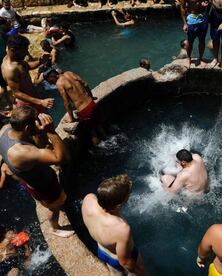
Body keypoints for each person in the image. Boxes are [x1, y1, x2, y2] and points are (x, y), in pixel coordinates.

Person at [0, 106, 74, 238]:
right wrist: (51, 131)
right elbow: (61, 158)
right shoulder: (23, 152)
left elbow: (33, 146)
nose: (39, 123)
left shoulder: (5, 130)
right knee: (54, 206)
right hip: (43, 187)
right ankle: (55, 228)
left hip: (29, 179)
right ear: (27, 128)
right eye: (36, 121)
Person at [82, 175, 146, 276]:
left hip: (102, 250)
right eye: (127, 196)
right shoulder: (122, 228)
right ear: (118, 205)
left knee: (115, 273)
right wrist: (138, 272)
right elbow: (124, 261)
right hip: (119, 258)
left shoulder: (88, 199)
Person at [43, 69, 102, 145]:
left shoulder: (59, 83)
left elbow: (67, 103)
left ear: (52, 77)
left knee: (93, 133)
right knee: (99, 126)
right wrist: (91, 97)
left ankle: (100, 149)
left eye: (50, 81)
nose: (51, 84)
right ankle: (105, 139)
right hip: (91, 103)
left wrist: (72, 118)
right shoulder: (69, 73)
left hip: (84, 110)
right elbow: (85, 84)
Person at [1, 35, 54, 113]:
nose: (26, 53)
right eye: (23, 51)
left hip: (34, 99)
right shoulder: (10, 70)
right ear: (12, 50)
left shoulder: (16, 59)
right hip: (28, 105)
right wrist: (40, 102)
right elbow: (16, 93)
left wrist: (41, 61)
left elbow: (27, 66)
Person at [179, 0, 209, 67]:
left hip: (202, 18)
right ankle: (189, 58)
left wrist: (207, 3)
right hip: (191, 19)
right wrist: (184, 23)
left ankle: (200, 58)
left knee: (202, 40)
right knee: (190, 41)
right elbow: (182, 8)